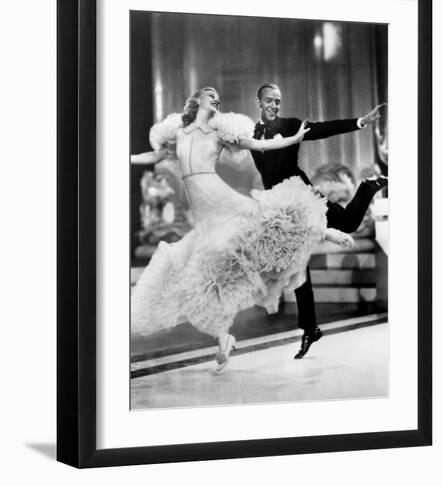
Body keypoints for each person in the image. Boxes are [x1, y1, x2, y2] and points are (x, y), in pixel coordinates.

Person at [131, 87, 354, 372]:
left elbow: (258, 145)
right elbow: (152, 156)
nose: (216, 97)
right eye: (210, 94)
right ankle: (224, 339)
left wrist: (293, 138)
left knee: (266, 220)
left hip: (219, 197)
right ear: (198, 99)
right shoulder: (179, 134)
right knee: (202, 277)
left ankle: (324, 231)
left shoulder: (219, 133)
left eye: (217, 96)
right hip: (203, 213)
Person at [250, 83, 388, 359]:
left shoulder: (290, 125)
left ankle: (369, 187)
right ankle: (310, 328)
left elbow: (323, 128)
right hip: (280, 206)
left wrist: (360, 122)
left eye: (278, 101)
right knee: (297, 263)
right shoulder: (252, 133)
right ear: (259, 102)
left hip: (303, 197)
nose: (275, 105)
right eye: (270, 101)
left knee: (346, 224)